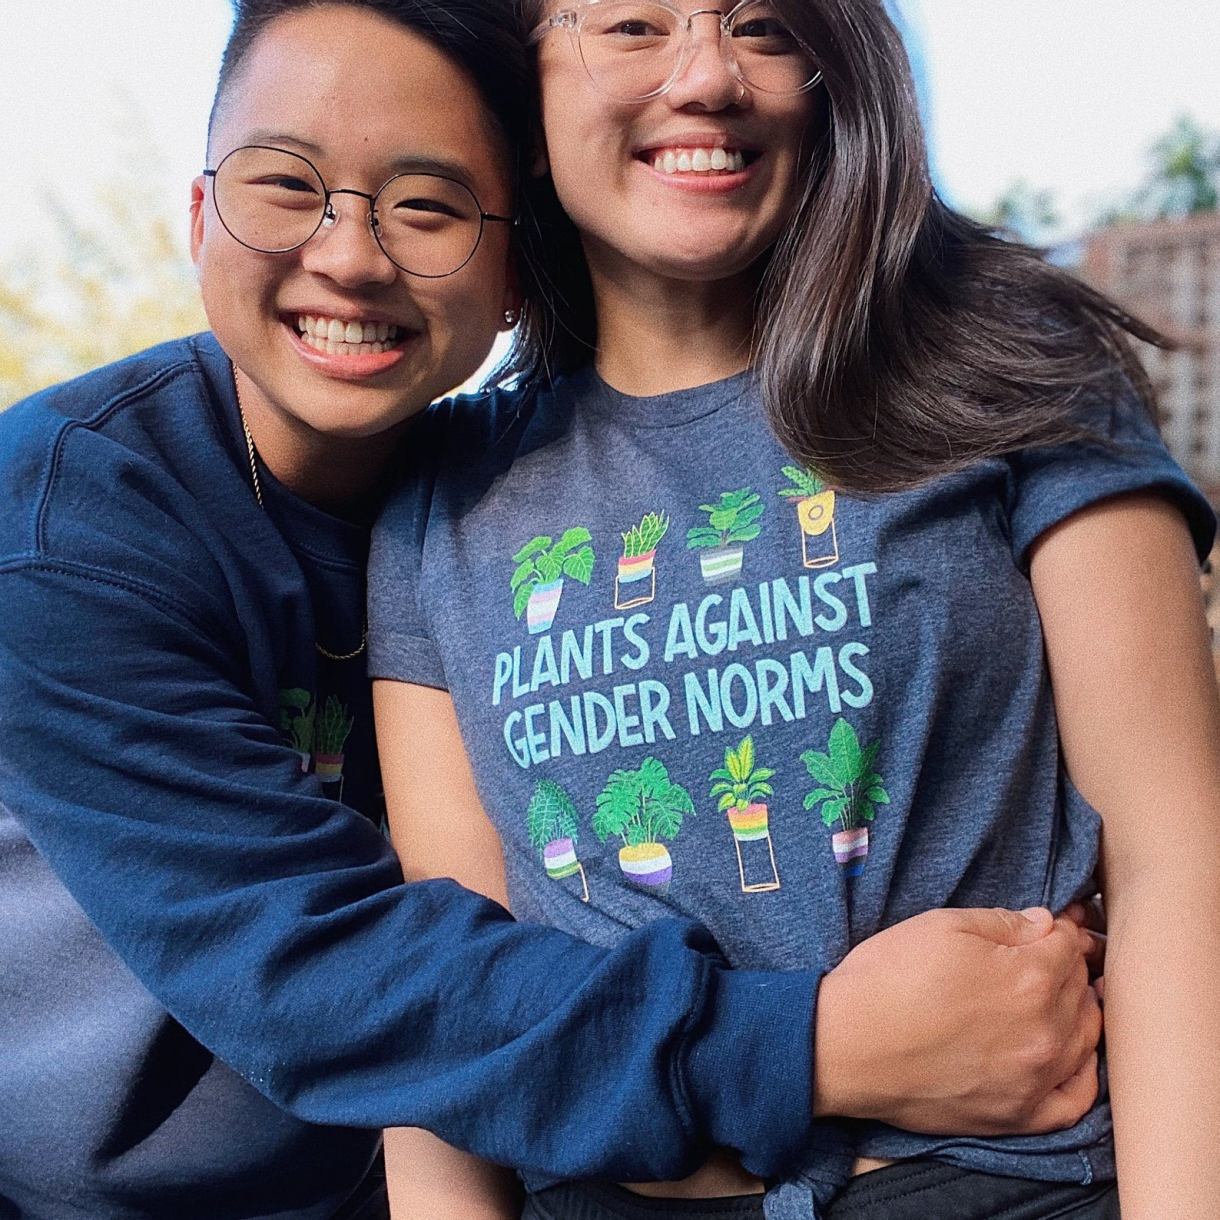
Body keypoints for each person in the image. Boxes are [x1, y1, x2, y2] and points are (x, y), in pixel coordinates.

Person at [0, 2, 1105, 1219]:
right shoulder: (69, 519)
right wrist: (821, 1043)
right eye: (283, 186)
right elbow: (319, 969)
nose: (351, 255)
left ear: (512, 259)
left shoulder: (490, 498)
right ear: (199, 212)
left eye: (425, 208)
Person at [368, 1, 1220, 1218]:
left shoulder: (1011, 365)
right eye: (630, 23)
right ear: (528, 100)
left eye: (762, 25)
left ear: (831, 80)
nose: (708, 76)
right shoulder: (439, 494)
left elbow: (1170, 856)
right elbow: (455, 983)